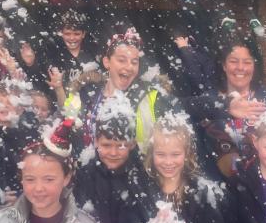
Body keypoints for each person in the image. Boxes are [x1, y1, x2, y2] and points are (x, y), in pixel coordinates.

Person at [60, 25, 179, 155]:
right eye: (122, 60)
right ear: (107, 62)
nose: (129, 67)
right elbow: (63, 131)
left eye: (134, 62)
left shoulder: (152, 96)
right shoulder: (83, 94)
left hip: (137, 166)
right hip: (90, 166)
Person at [183, 36, 266, 179]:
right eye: (233, 61)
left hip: (258, 184)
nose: (240, 67)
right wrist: (225, 106)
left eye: (247, 62)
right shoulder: (210, 99)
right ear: (224, 65)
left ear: (254, 66)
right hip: (215, 184)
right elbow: (181, 109)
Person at [72, 92, 148, 223]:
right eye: (106, 145)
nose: (113, 153)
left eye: (120, 146)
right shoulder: (85, 175)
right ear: (96, 142)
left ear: (132, 144)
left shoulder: (143, 174)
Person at [0, 83, 40, 201]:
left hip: (30, 197)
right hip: (0, 203)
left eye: (10, 102)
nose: (4, 105)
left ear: (19, 109)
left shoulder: (31, 135)